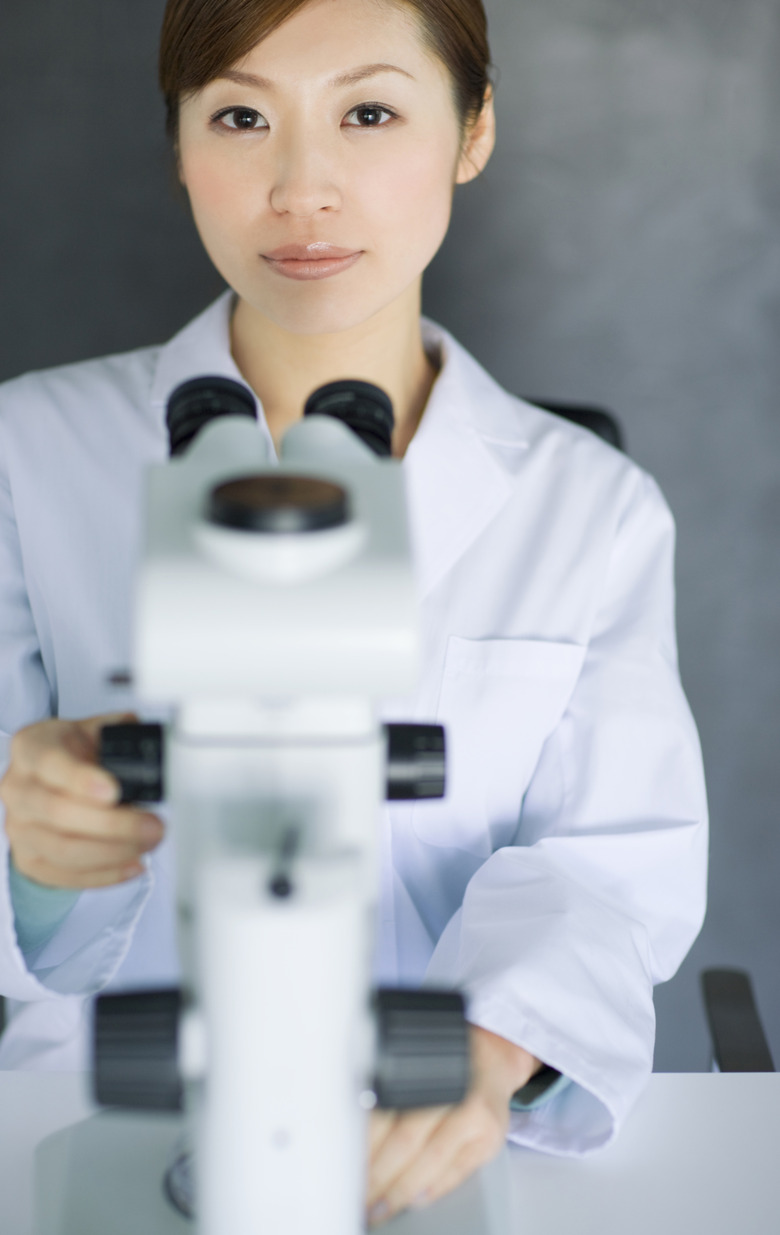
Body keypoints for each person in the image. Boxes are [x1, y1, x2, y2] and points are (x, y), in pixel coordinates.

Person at [0, 0, 708, 1226]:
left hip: (438, 1132)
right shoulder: (25, 451)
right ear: (178, 144)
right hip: (94, 1100)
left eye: (369, 112)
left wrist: (490, 1048)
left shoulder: (587, 506)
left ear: (472, 130)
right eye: (240, 116)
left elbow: (610, 867)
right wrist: (40, 856)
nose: (301, 188)